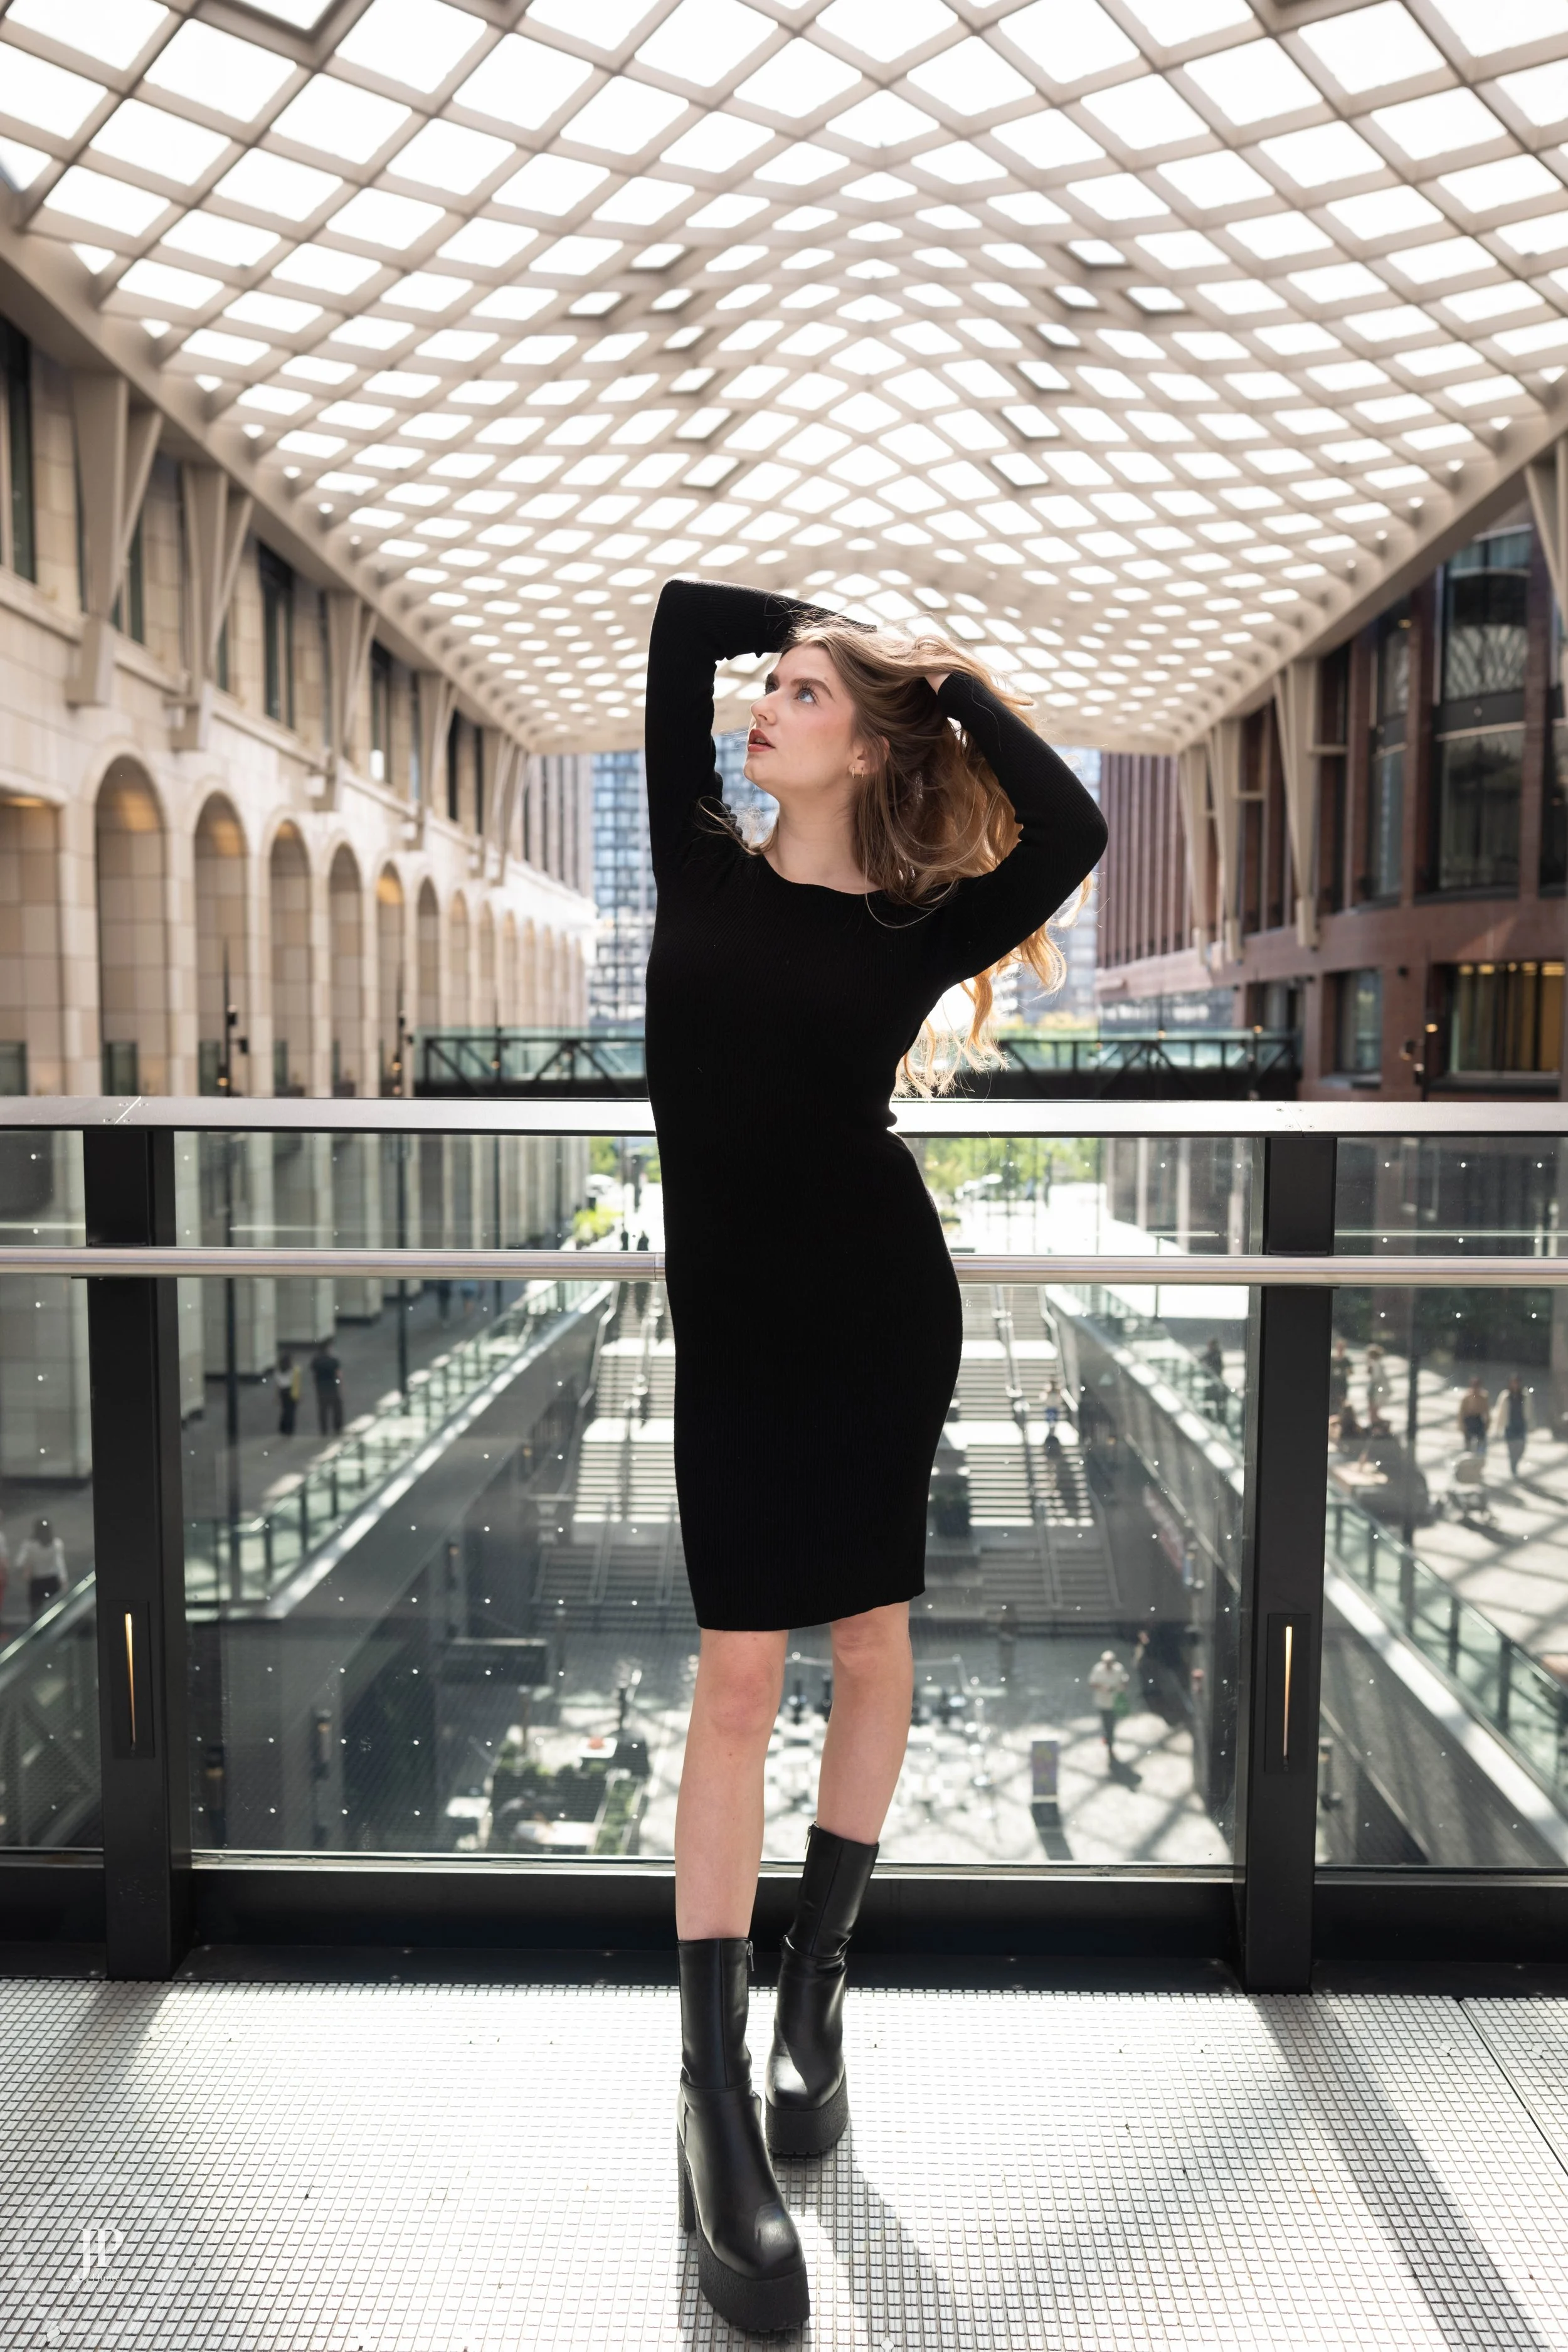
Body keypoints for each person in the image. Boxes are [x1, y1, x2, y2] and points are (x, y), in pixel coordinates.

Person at [647, 575, 1104, 2332]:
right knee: (732, 1679)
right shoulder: (699, 856)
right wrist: (820, 622)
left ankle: (811, 1995)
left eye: (806, 693)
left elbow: (1068, 821)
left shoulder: (911, 929)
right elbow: (687, 617)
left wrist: (935, 675)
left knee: (868, 1644)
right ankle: (706, 2093)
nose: (761, 700)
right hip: (734, 1343)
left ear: (867, 742)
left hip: (872, 1313)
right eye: (773, 687)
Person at [19, 1517, 67, 1616]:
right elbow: (60, 1564)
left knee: (36, 1609)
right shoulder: (56, 1543)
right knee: (55, 1608)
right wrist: (64, 1580)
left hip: (37, 1581)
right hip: (52, 1580)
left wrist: (28, 1566)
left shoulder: (30, 1545)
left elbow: (20, 1562)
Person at [1088, 1648, 1131, 1758]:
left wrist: (1123, 1685)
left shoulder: (1119, 1669)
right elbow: (1092, 1683)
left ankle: (1110, 1741)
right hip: (1102, 1702)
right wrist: (1103, 1688)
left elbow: (1124, 1679)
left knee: (1111, 1723)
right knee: (1106, 1722)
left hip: (1114, 1701)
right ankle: (1108, 1737)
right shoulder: (1098, 1669)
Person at [1496, 1375, 1530, 1478]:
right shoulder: (1506, 1396)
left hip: (1521, 1425)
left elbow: (1530, 1410)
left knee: (1521, 1448)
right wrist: (1499, 1426)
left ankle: (1516, 1461)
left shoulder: (1525, 1395)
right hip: (1510, 1425)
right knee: (1511, 1448)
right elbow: (1500, 1412)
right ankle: (1513, 1466)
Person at [310, 1340, 344, 1436]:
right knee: (337, 1409)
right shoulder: (333, 1361)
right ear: (328, 1349)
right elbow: (338, 1375)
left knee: (323, 1410)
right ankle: (337, 1428)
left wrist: (315, 1386)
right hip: (333, 1388)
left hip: (321, 1388)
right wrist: (340, 1385)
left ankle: (324, 1430)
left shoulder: (316, 1361)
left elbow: (314, 1375)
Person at [1458, 1374, 1490, 1454]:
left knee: (1481, 1442)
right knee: (1468, 1444)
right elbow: (1462, 1412)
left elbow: (1487, 1411)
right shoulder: (1466, 1397)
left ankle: (1479, 1456)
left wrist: (1487, 1425)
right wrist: (1461, 1425)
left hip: (1478, 1420)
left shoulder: (1484, 1397)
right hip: (1469, 1420)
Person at [275, 1350, 300, 1437]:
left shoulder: (279, 1370)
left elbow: (278, 1384)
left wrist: (277, 1396)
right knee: (291, 1411)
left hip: (283, 1391)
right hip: (291, 1390)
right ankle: (289, 1429)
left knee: (285, 1409)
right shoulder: (293, 1370)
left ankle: (283, 1428)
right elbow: (296, 1383)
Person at [1328, 1338, 1351, 1417]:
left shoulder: (1346, 1360)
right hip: (1333, 1384)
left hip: (1342, 1384)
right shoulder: (1332, 1359)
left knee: (1342, 1403)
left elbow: (1350, 1372)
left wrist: (1344, 1372)